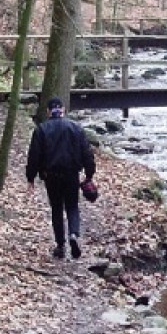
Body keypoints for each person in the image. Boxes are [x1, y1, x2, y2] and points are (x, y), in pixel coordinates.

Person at [25, 96, 96, 260]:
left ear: (48, 111)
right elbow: (87, 153)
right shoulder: (75, 128)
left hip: (51, 176)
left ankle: (60, 245)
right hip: (72, 174)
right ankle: (73, 234)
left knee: (56, 209)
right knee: (72, 206)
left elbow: (34, 156)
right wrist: (89, 174)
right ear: (63, 110)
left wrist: (31, 177)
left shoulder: (41, 130)